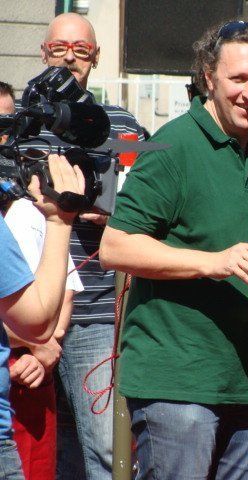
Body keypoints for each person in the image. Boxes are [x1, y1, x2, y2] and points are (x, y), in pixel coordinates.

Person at [100, 20, 248, 479]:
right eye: (239, 78)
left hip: (247, 387)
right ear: (209, 78)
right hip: (178, 388)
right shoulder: (173, 145)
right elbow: (115, 246)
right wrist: (214, 262)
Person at [34, 13, 145, 480]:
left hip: (97, 310)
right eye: (59, 48)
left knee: (105, 447)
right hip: (25, 311)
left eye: (80, 50)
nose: (69, 58)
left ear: (95, 58)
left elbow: (152, 204)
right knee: (40, 453)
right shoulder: (21, 123)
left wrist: (113, 210)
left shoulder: (120, 125)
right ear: (44, 52)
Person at [0, 81, 82, 480]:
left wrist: (49, 346)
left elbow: (64, 290)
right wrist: (61, 220)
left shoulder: (25, 208)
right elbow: (35, 320)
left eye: (8, 127)